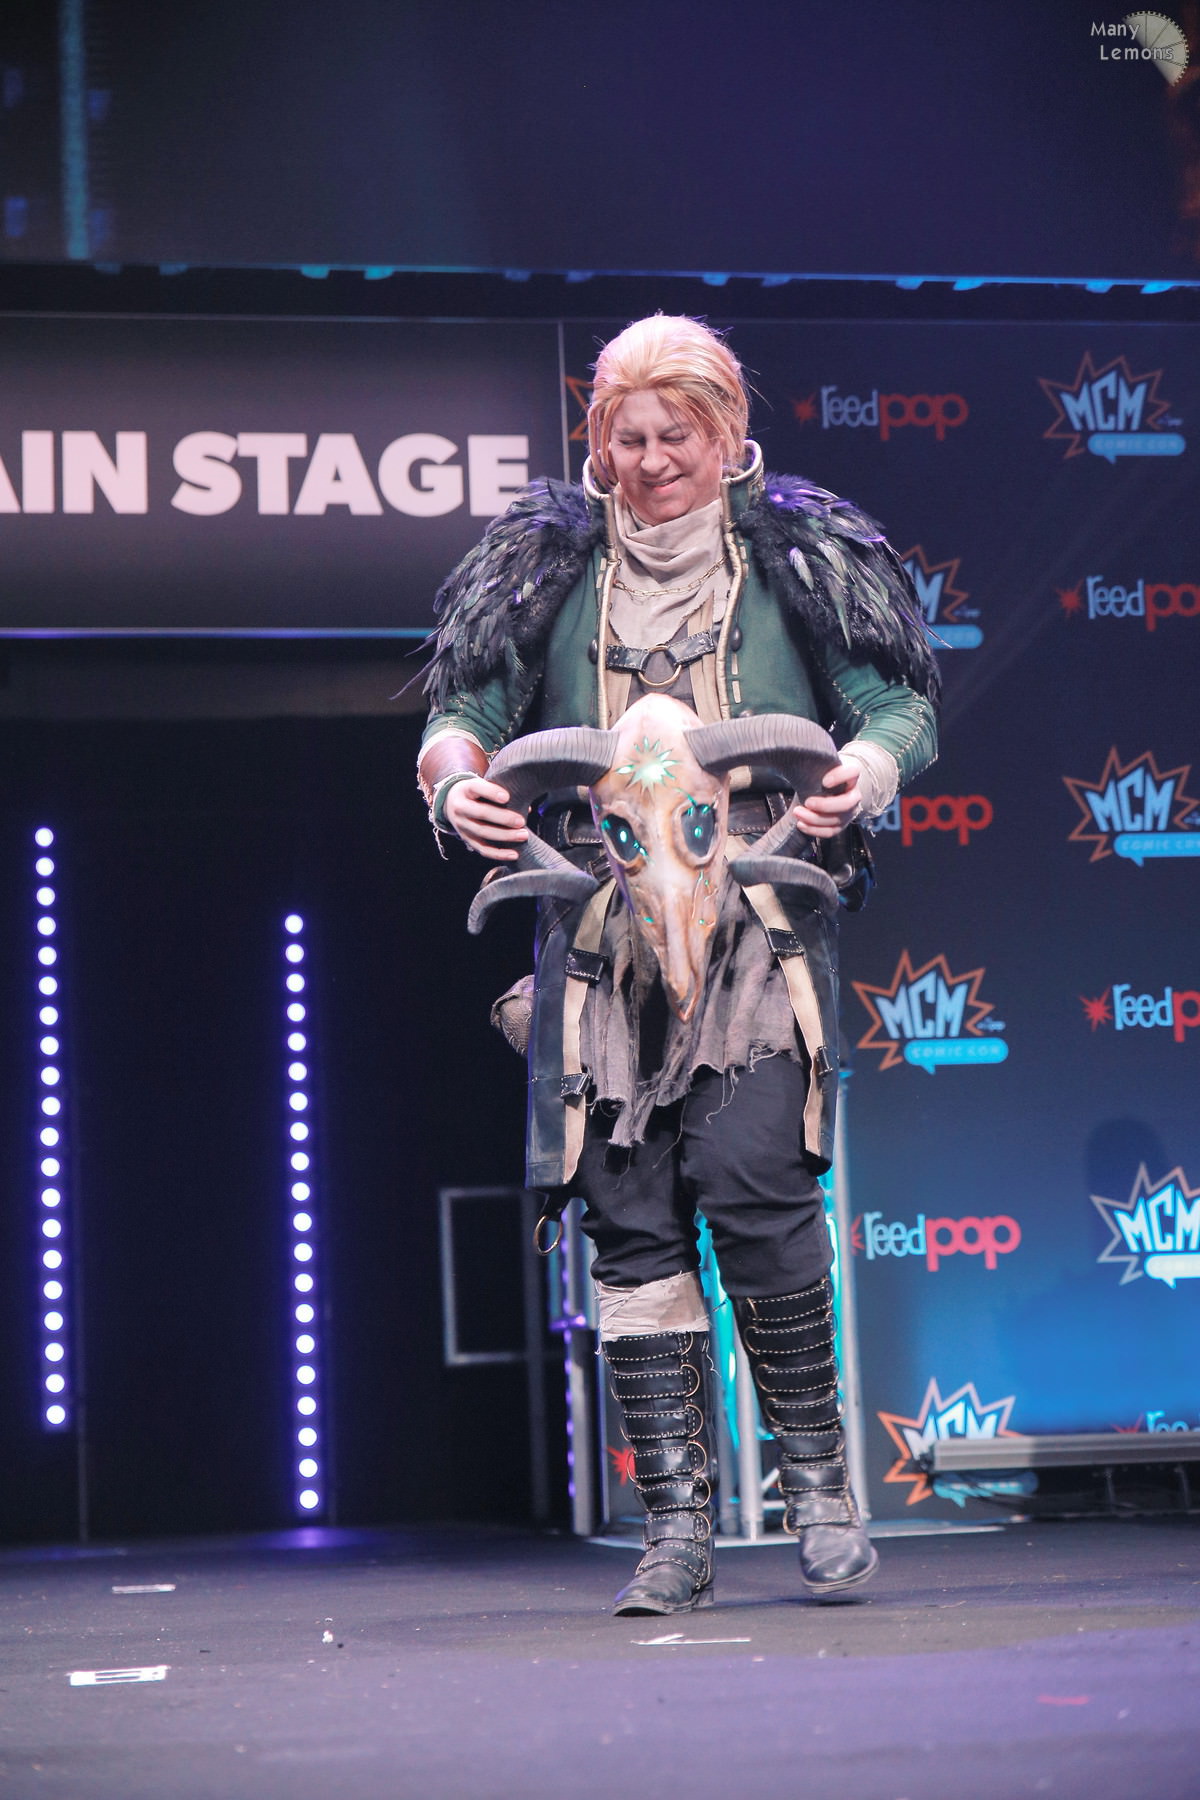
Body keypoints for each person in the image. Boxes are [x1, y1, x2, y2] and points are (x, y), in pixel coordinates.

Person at [418, 315, 939, 1615]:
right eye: (628, 437)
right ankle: (676, 1531)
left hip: (756, 926)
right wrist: (454, 780)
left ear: (727, 435)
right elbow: (462, 714)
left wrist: (862, 773)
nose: (651, 462)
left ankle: (819, 1491)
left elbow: (898, 706)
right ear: (597, 442)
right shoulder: (544, 570)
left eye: (677, 437)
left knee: (757, 1186)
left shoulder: (800, 558)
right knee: (632, 1216)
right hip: (599, 930)